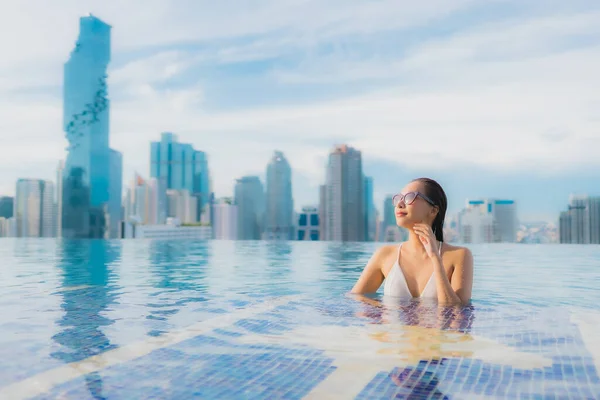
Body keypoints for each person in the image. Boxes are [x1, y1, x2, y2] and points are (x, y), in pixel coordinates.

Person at [351, 177, 473, 305]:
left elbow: (458, 312)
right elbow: (355, 300)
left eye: (410, 197)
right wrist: (385, 310)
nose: (400, 204)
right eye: (399, 198)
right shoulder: (384, 255)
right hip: (391, 325)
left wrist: (435, 258)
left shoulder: (459, 255)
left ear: (433, 210)